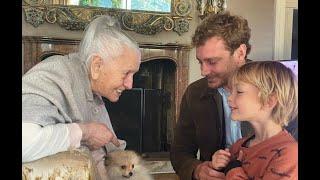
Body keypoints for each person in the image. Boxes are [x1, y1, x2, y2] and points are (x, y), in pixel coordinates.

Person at [22, 15, 141, 179]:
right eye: (126, 73)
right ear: (97, 66)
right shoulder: (54, 75)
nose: (130, 84)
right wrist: (84, 132)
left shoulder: (90, 85)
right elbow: (25, 143)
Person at [170, 11, 253, 180]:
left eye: (212, 62)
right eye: (200, 62)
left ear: (240, 53)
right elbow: (180, 152)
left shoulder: (274, 88)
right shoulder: (194, 93)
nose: (203, 71)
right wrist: (197, 170)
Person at [211, 61, 298, 179]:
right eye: (231, 92)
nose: (229, 98)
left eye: (239, 92)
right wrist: (217, 165)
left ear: (269, 100)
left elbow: (232, 171)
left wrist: (232, 168)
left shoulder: (289, 154)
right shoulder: (238, 146)